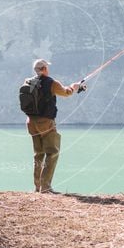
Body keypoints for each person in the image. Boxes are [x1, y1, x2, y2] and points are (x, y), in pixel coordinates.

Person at [25, 59, 82, 193]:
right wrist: (74, 87)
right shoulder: (51, 83)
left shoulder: (28, 82)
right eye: (47, 67)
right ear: (44, 69)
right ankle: (46, 187)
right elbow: (66, 93)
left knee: (38, 154)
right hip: (46, 123)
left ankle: (37, 186)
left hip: (31, 122)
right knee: (52, 152)